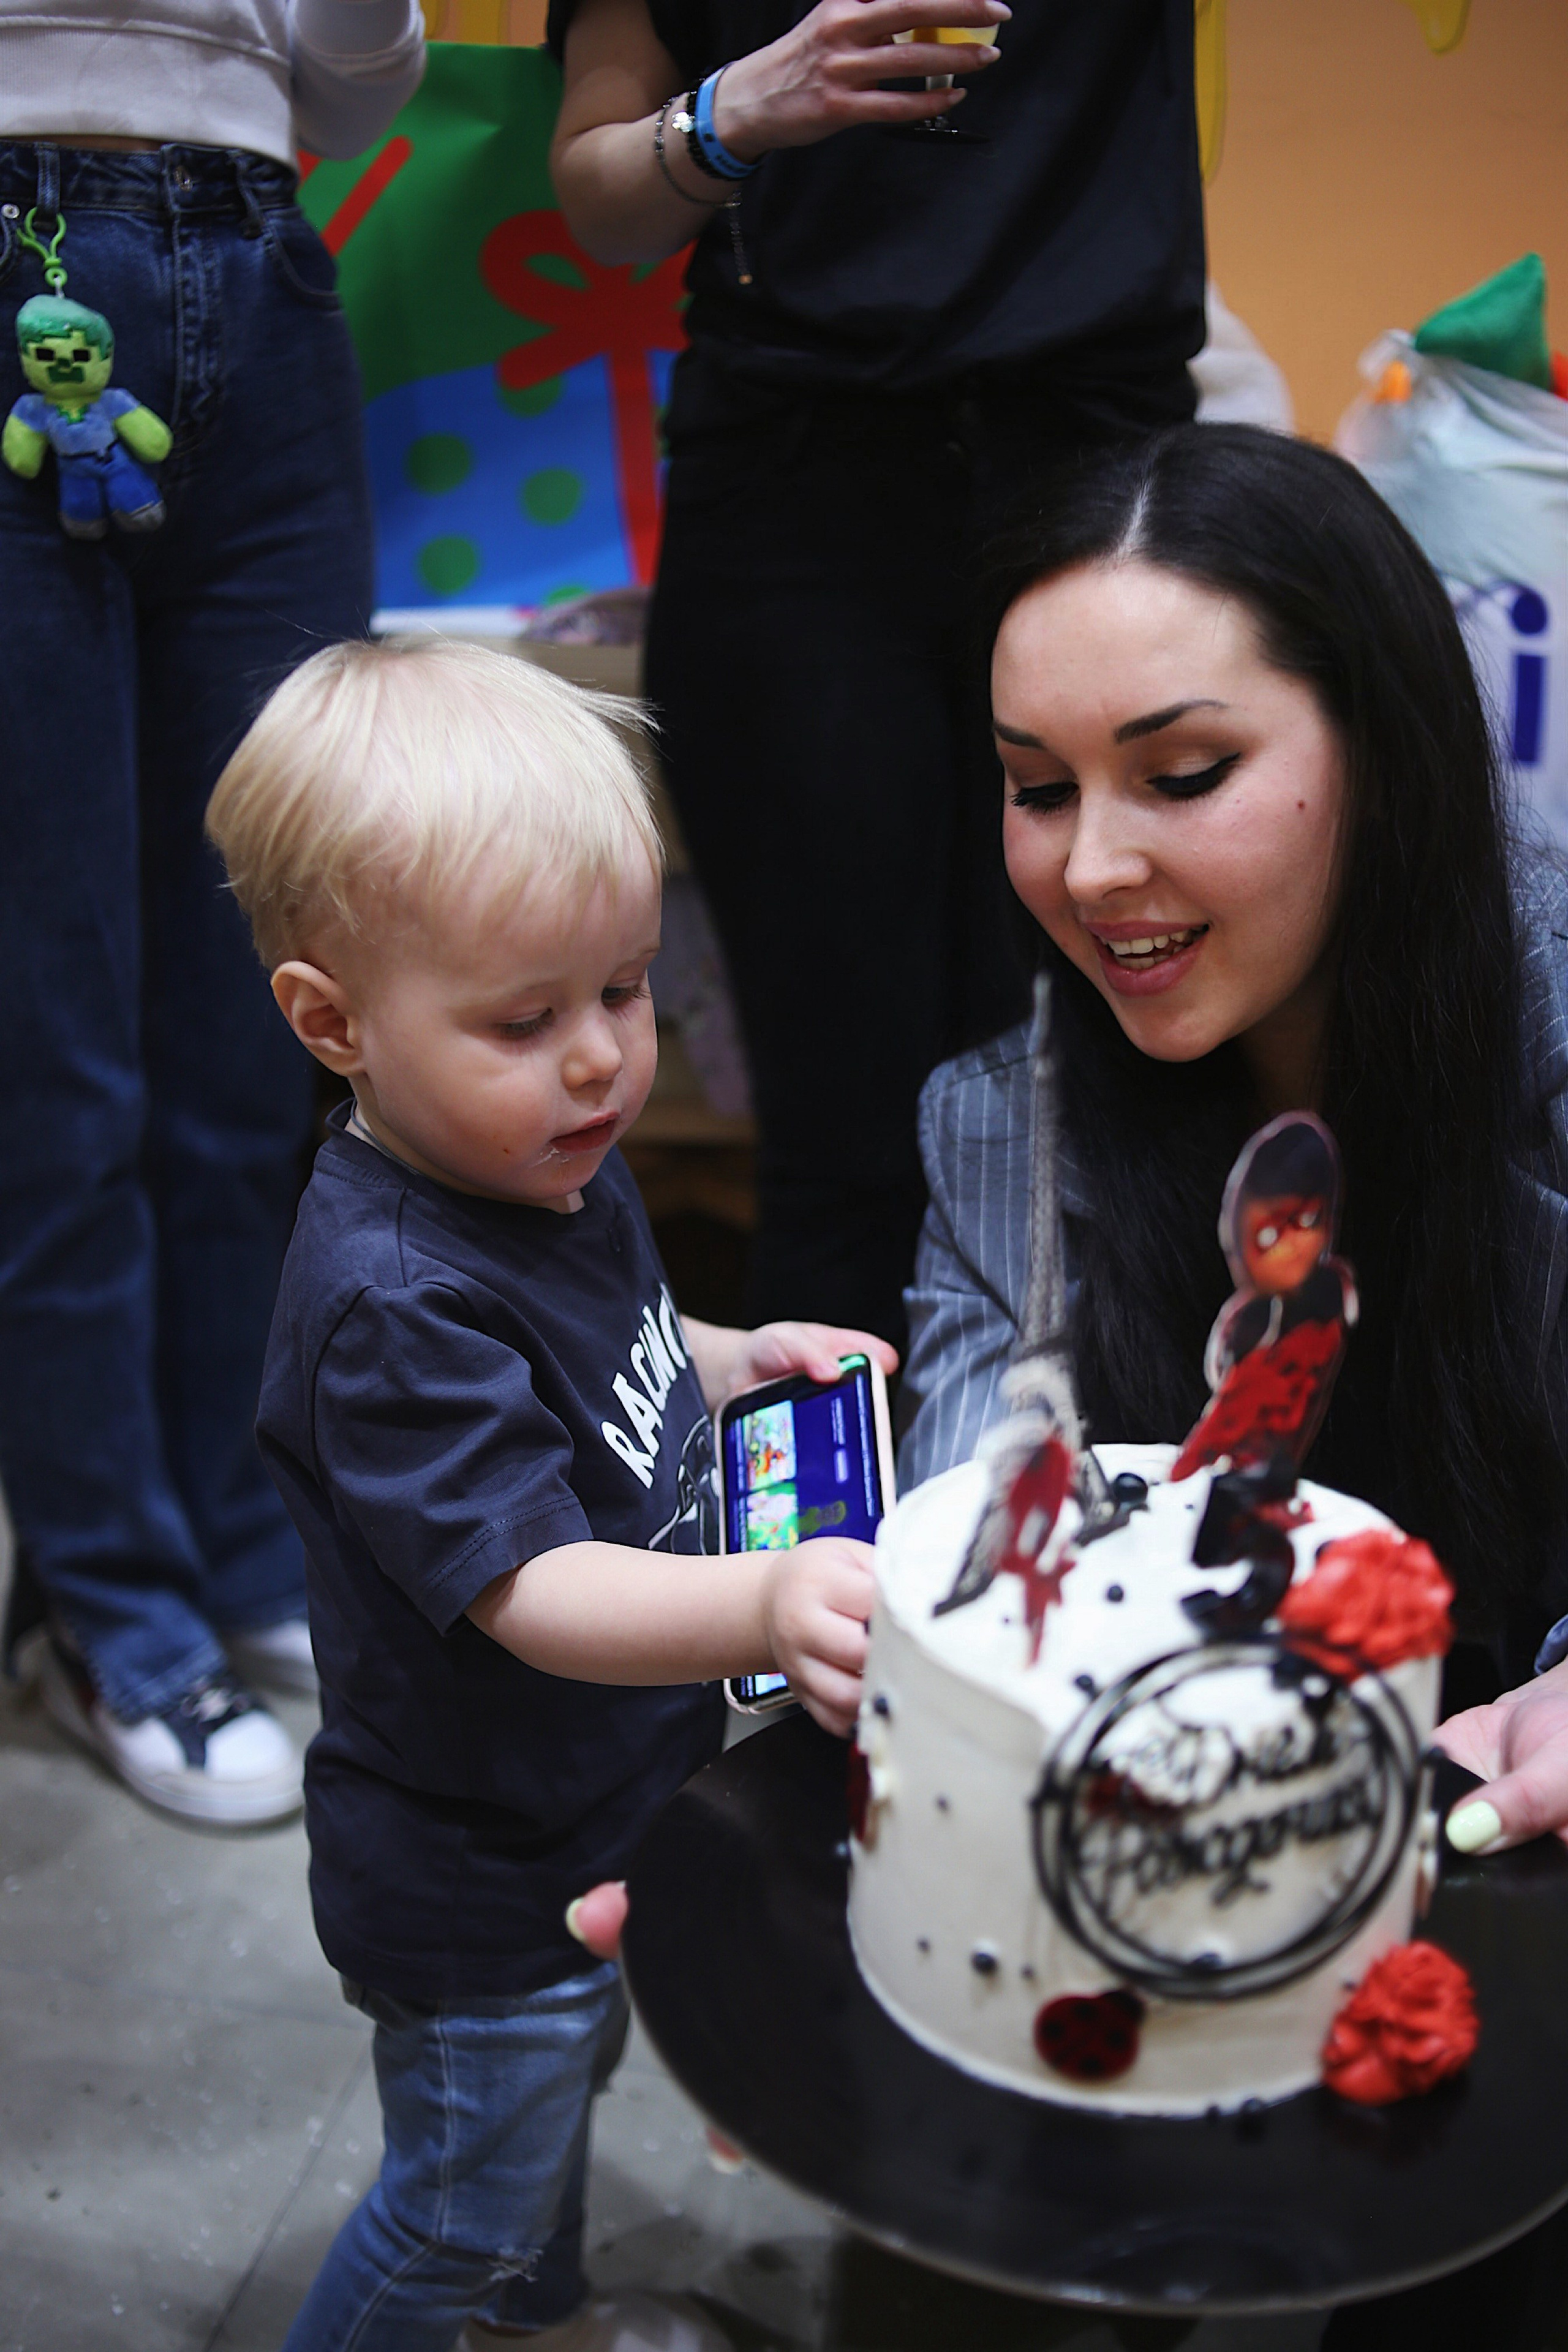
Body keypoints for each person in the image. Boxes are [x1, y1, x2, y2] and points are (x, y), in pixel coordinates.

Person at [897, 421, 1568, 2350]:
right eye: (1035, 789)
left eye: (1184, 773)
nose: (1094, 867)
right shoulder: (1002, 1138)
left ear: (1386, 746)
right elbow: (971, 1532)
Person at [205, 636, 894, 2352]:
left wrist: (731, 1359)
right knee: (456, 2205)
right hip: (478, 1869)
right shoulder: (394, 1303)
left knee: (550, 2112)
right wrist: (757, 1603)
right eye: (527, 1018)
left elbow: (618, 1356)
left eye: (625, 989)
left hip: (596, 1813)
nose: (599, 1060)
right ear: (332, 1021)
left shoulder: (538, 1162)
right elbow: (532, 1588)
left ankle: (546, 2318)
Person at [547, 0, 1205, 1349]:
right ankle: (813, 1557)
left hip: (1091, 469)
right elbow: (598, 196)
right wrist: (735, 110)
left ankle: (1099, 1536)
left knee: (1108, 1095)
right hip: (801, 486)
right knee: (845, 1124)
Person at [0, 0, 426, 1825]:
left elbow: (355, 79)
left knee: (263, 1014)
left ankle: (237, 1541)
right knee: (58, 1028)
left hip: (261, 247)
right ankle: (108, 1603)